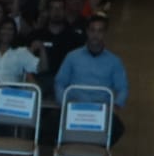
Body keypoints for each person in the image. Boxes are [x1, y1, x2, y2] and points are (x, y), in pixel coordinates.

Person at [52, 15, 128, 146]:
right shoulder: (72, 57)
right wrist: (63, 103)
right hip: (74, 107)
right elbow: (60, 82)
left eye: (100, 31)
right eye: (92, 30)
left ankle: (96, 152)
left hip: (101, 109)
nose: (95, 35)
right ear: (87, 32)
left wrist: (116, 105)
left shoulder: (114, 61)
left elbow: (123, 87)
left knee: (118, 129)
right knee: (49, 125)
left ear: (105, 33)